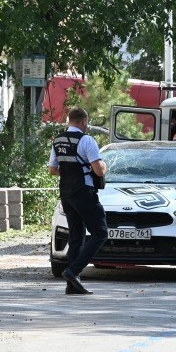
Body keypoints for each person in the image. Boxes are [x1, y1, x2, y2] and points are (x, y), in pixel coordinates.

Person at [48, 107, 108, 295]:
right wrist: (103, 167)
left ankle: (72, 286)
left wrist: (69, 172)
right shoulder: (86, 140)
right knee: (100, 233)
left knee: (76, 237)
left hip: (66, 193)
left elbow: (52, 169)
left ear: (69, 121)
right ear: (83, 121)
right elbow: (98, 170)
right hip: (84, 192)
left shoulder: (57, 141)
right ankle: (73, 271)